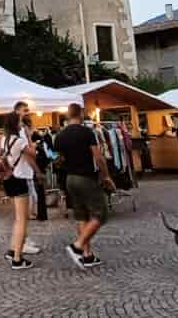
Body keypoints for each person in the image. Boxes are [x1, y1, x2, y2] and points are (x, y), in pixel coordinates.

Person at [55, 103, 115, 268]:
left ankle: (87, 256)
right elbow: (98, 157)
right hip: (85, 177)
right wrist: (106, 176)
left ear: (68, 115)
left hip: (70, 178)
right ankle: (77, 246)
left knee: (82, 216)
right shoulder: (87, 132)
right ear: (80, 114)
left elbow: (59, 159)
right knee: (100, 213)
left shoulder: (60, 136)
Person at [0, 103, 38, 269]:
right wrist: (29, 137)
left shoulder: (4, 139)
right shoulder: (19, 140)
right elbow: (33, 153)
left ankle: (12, 249)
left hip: (9, 179)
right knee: (23, 220)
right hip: (19, 178)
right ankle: (17, 258)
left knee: (17, 218)